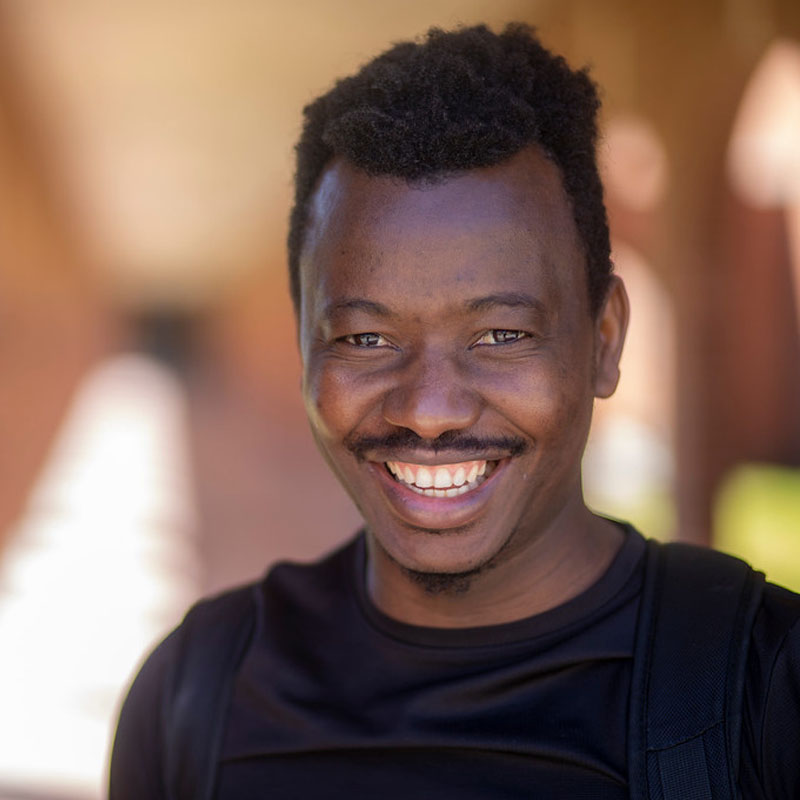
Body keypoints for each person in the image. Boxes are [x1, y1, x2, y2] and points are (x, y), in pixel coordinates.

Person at [109, 24, 800, 799]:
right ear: (307, 349)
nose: (430, 411)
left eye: (502, 334)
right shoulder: (197, 693)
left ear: (604, 340)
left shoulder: (762, 691)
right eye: (367, 338)